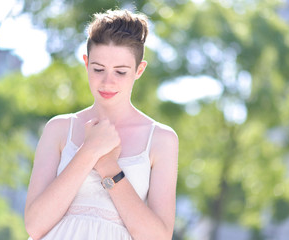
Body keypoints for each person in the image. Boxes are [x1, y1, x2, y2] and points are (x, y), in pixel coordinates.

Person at [24, 9, 178, 240]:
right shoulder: (59, 128)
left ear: (139, 70)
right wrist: (89, 151)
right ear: (86, 63)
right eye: (98, 69)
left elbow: (157, 237)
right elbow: (35, 226)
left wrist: (108, 166)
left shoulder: (161, 139)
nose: (108, 81)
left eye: (121, 71)